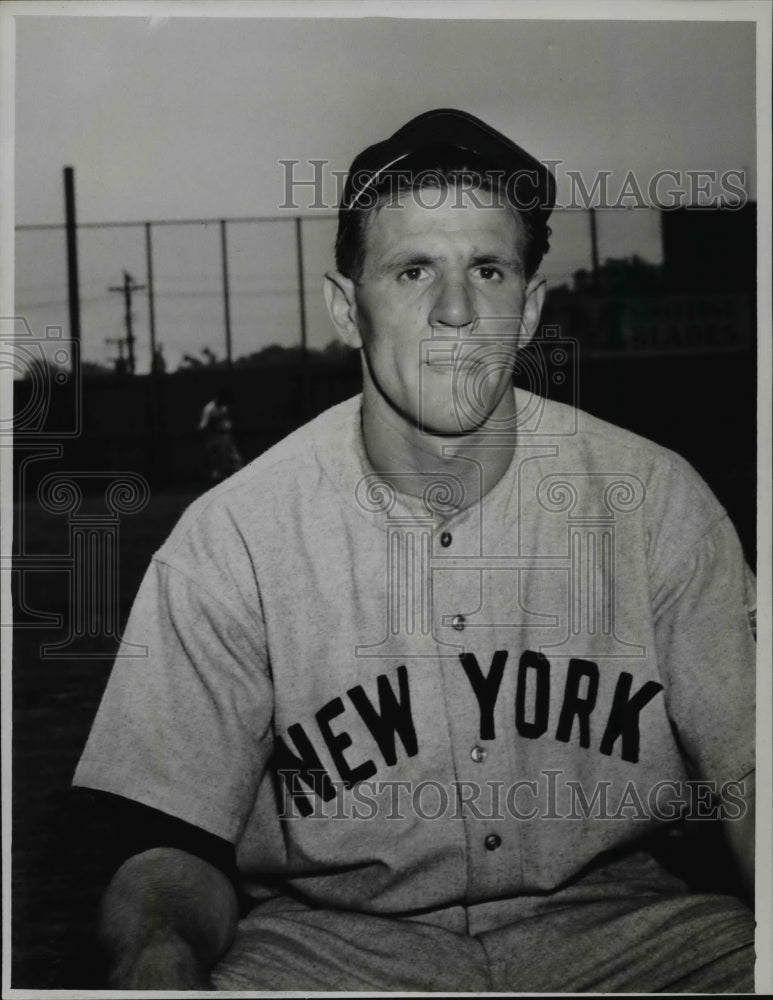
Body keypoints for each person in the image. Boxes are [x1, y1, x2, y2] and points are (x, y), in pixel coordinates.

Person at [73, 109, 756, 992]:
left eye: (487, 269)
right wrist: (158, 952)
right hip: (333, 954)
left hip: (630, 935)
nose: (457, 312)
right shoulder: (233, 536)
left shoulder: (654, 499)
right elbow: (170, 846)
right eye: (411, 271)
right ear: (344, 307)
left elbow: (751, 775)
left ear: (529, 305)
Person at [197, 386, 243, 483]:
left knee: (237, 462)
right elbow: (203, 427)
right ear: (219, 398)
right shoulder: (209, 409)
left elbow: (226, 423)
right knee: (222, 468)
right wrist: (210, 442)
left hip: (226, 437)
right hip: (216, 438)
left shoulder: (223, 407)